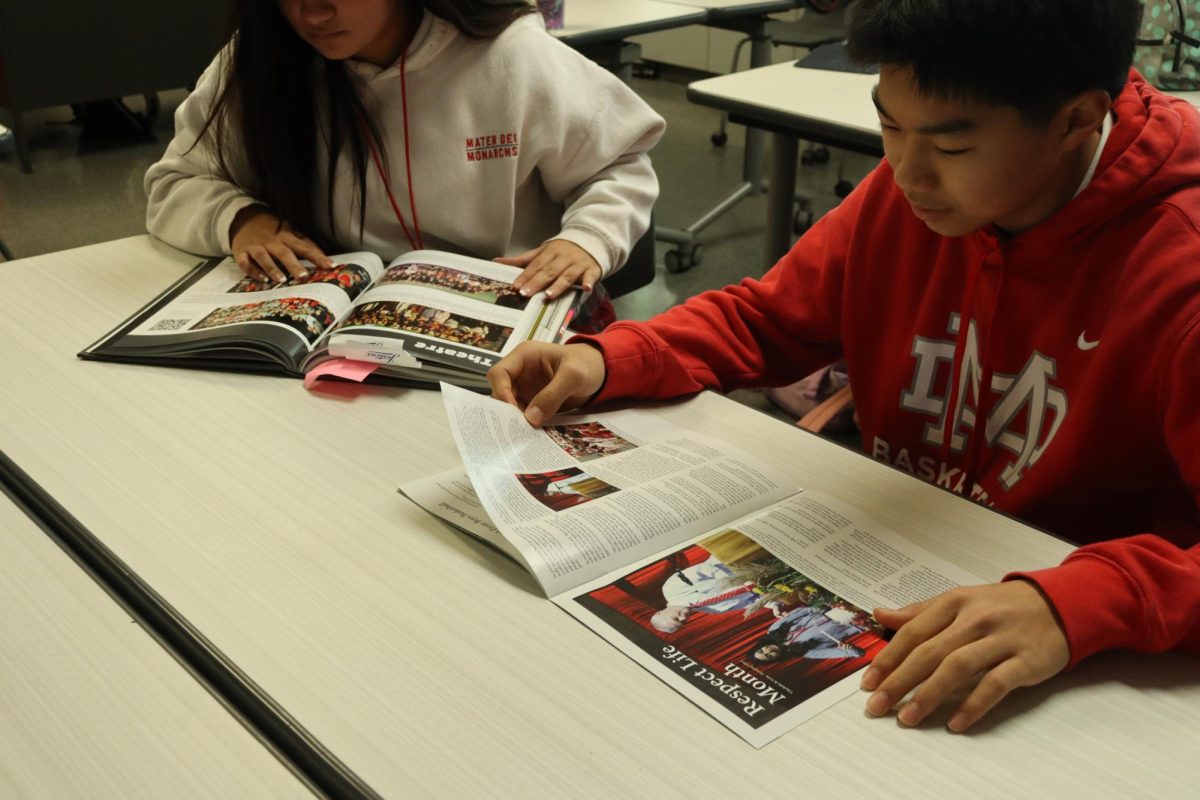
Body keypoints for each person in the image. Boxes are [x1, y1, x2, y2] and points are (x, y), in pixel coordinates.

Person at [490, 0, 1200, 732]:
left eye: (951, 149)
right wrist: (607, 360)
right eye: (889, 125)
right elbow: (768, 317)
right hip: (903, 567)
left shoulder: (1178, 267)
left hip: (1087, 660)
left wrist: (1079, 603)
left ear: (1078, 121)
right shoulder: (913, 199)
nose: (905, 172)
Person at [144, 0, 664, 330]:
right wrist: (240, 217)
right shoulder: (262, 60)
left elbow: (620, 161)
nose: (312, 12)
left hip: (503, 318)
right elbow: (176, 181)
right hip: (341, 329)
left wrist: (587, 238)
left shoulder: (510, 56)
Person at [650, 554, 787, 634]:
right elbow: (753, 599)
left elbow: (706, 569)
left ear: (659, 613)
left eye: (675, 619)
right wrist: (773, 605)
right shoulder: (715, 610)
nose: (683, 618)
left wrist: (741, 579)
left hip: (738, 558)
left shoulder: (671, 589)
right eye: (683, 623)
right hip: (769, 575)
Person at [749, 606, 867, 663]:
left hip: (832, 606)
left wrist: (824, 608)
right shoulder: (808, 653)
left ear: (759, 646)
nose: (768, 651)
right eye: (769, 656)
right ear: (775, 659)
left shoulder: (773, 630)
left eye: (761, 650)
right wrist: (849, 648)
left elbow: (801, 612)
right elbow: (857, 654)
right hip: (855, 620)